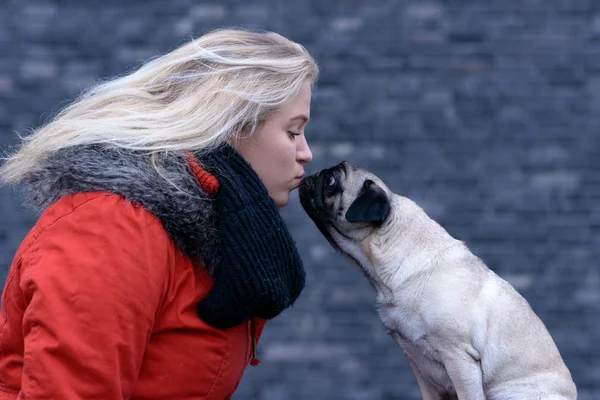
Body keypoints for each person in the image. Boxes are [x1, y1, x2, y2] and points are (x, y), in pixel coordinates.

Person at [0, 28, 318, 399]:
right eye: (294, 132)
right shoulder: (112, 227)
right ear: (233, 124)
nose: (306, 153)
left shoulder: (209, 231)